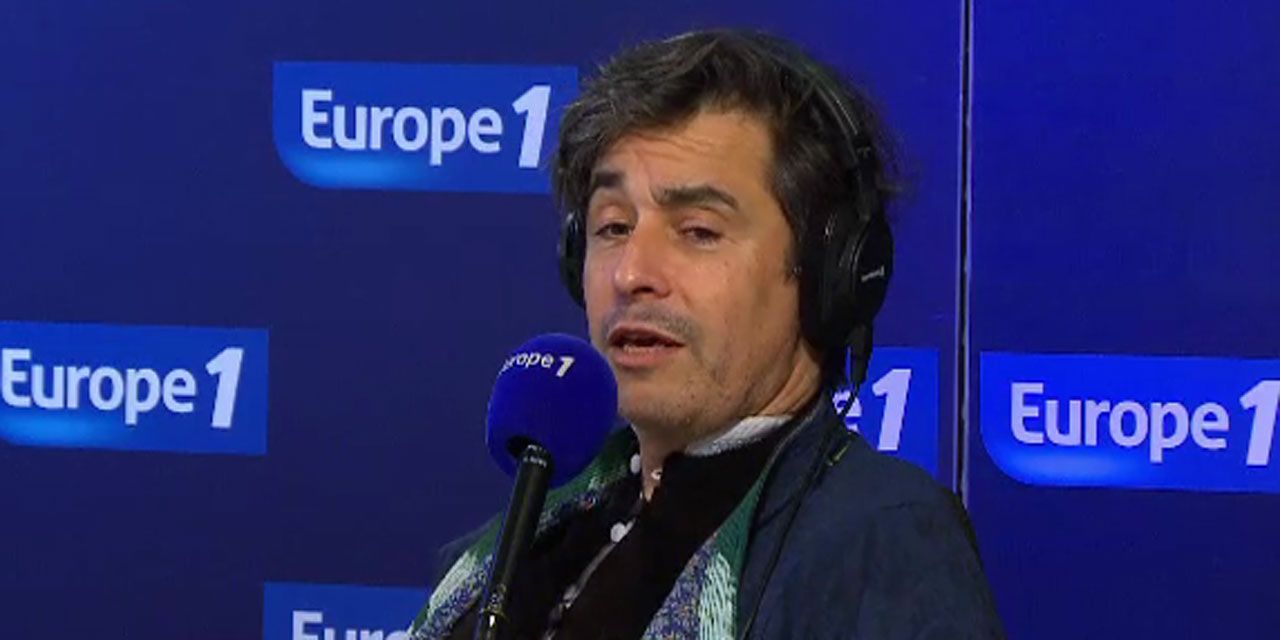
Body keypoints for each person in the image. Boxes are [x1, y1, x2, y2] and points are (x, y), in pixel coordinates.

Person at [409, 28, 1004, 640]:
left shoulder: (880, 543)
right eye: (613, 227)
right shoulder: (532, 534)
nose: (631, 274)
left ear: (827, 275)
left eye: (698, 231)